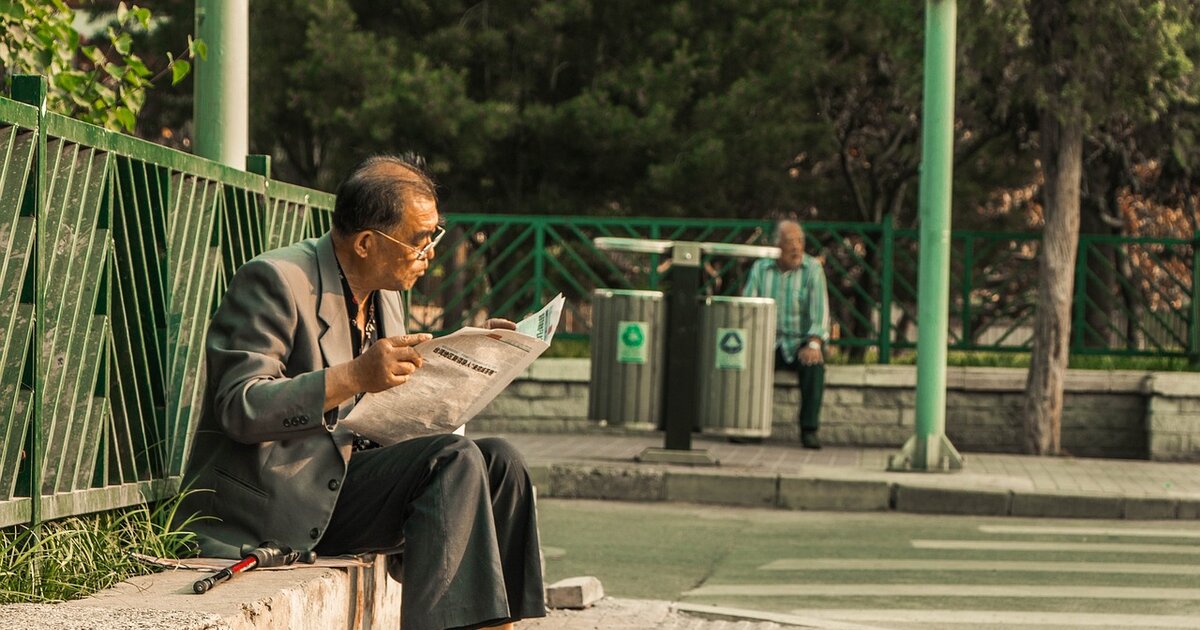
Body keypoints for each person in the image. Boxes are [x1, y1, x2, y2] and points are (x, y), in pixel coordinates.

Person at [176, 154, 545, 630]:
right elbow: (239, 405)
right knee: (452, 460)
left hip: (349, 476)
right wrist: (353, 377)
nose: (430, 252)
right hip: (284, 496)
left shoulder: (385, 292)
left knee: (501, 462)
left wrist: (476, 355)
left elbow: (390, 398)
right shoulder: (275, 280)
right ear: (367, 243)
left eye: (434, 234)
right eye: (420, 239)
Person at [742, 219, 830, 449]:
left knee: (814, 366)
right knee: (748, 364)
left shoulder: (812, 269)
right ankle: (749, 427)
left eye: (800, 241)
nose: (796, 247)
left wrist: (813, 343)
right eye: (790, 241)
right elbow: (748, 306)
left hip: (801, 340)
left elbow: (820, 311)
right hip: (768, 340)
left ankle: (809, 430)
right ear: (777, 245)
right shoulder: (760, 268)